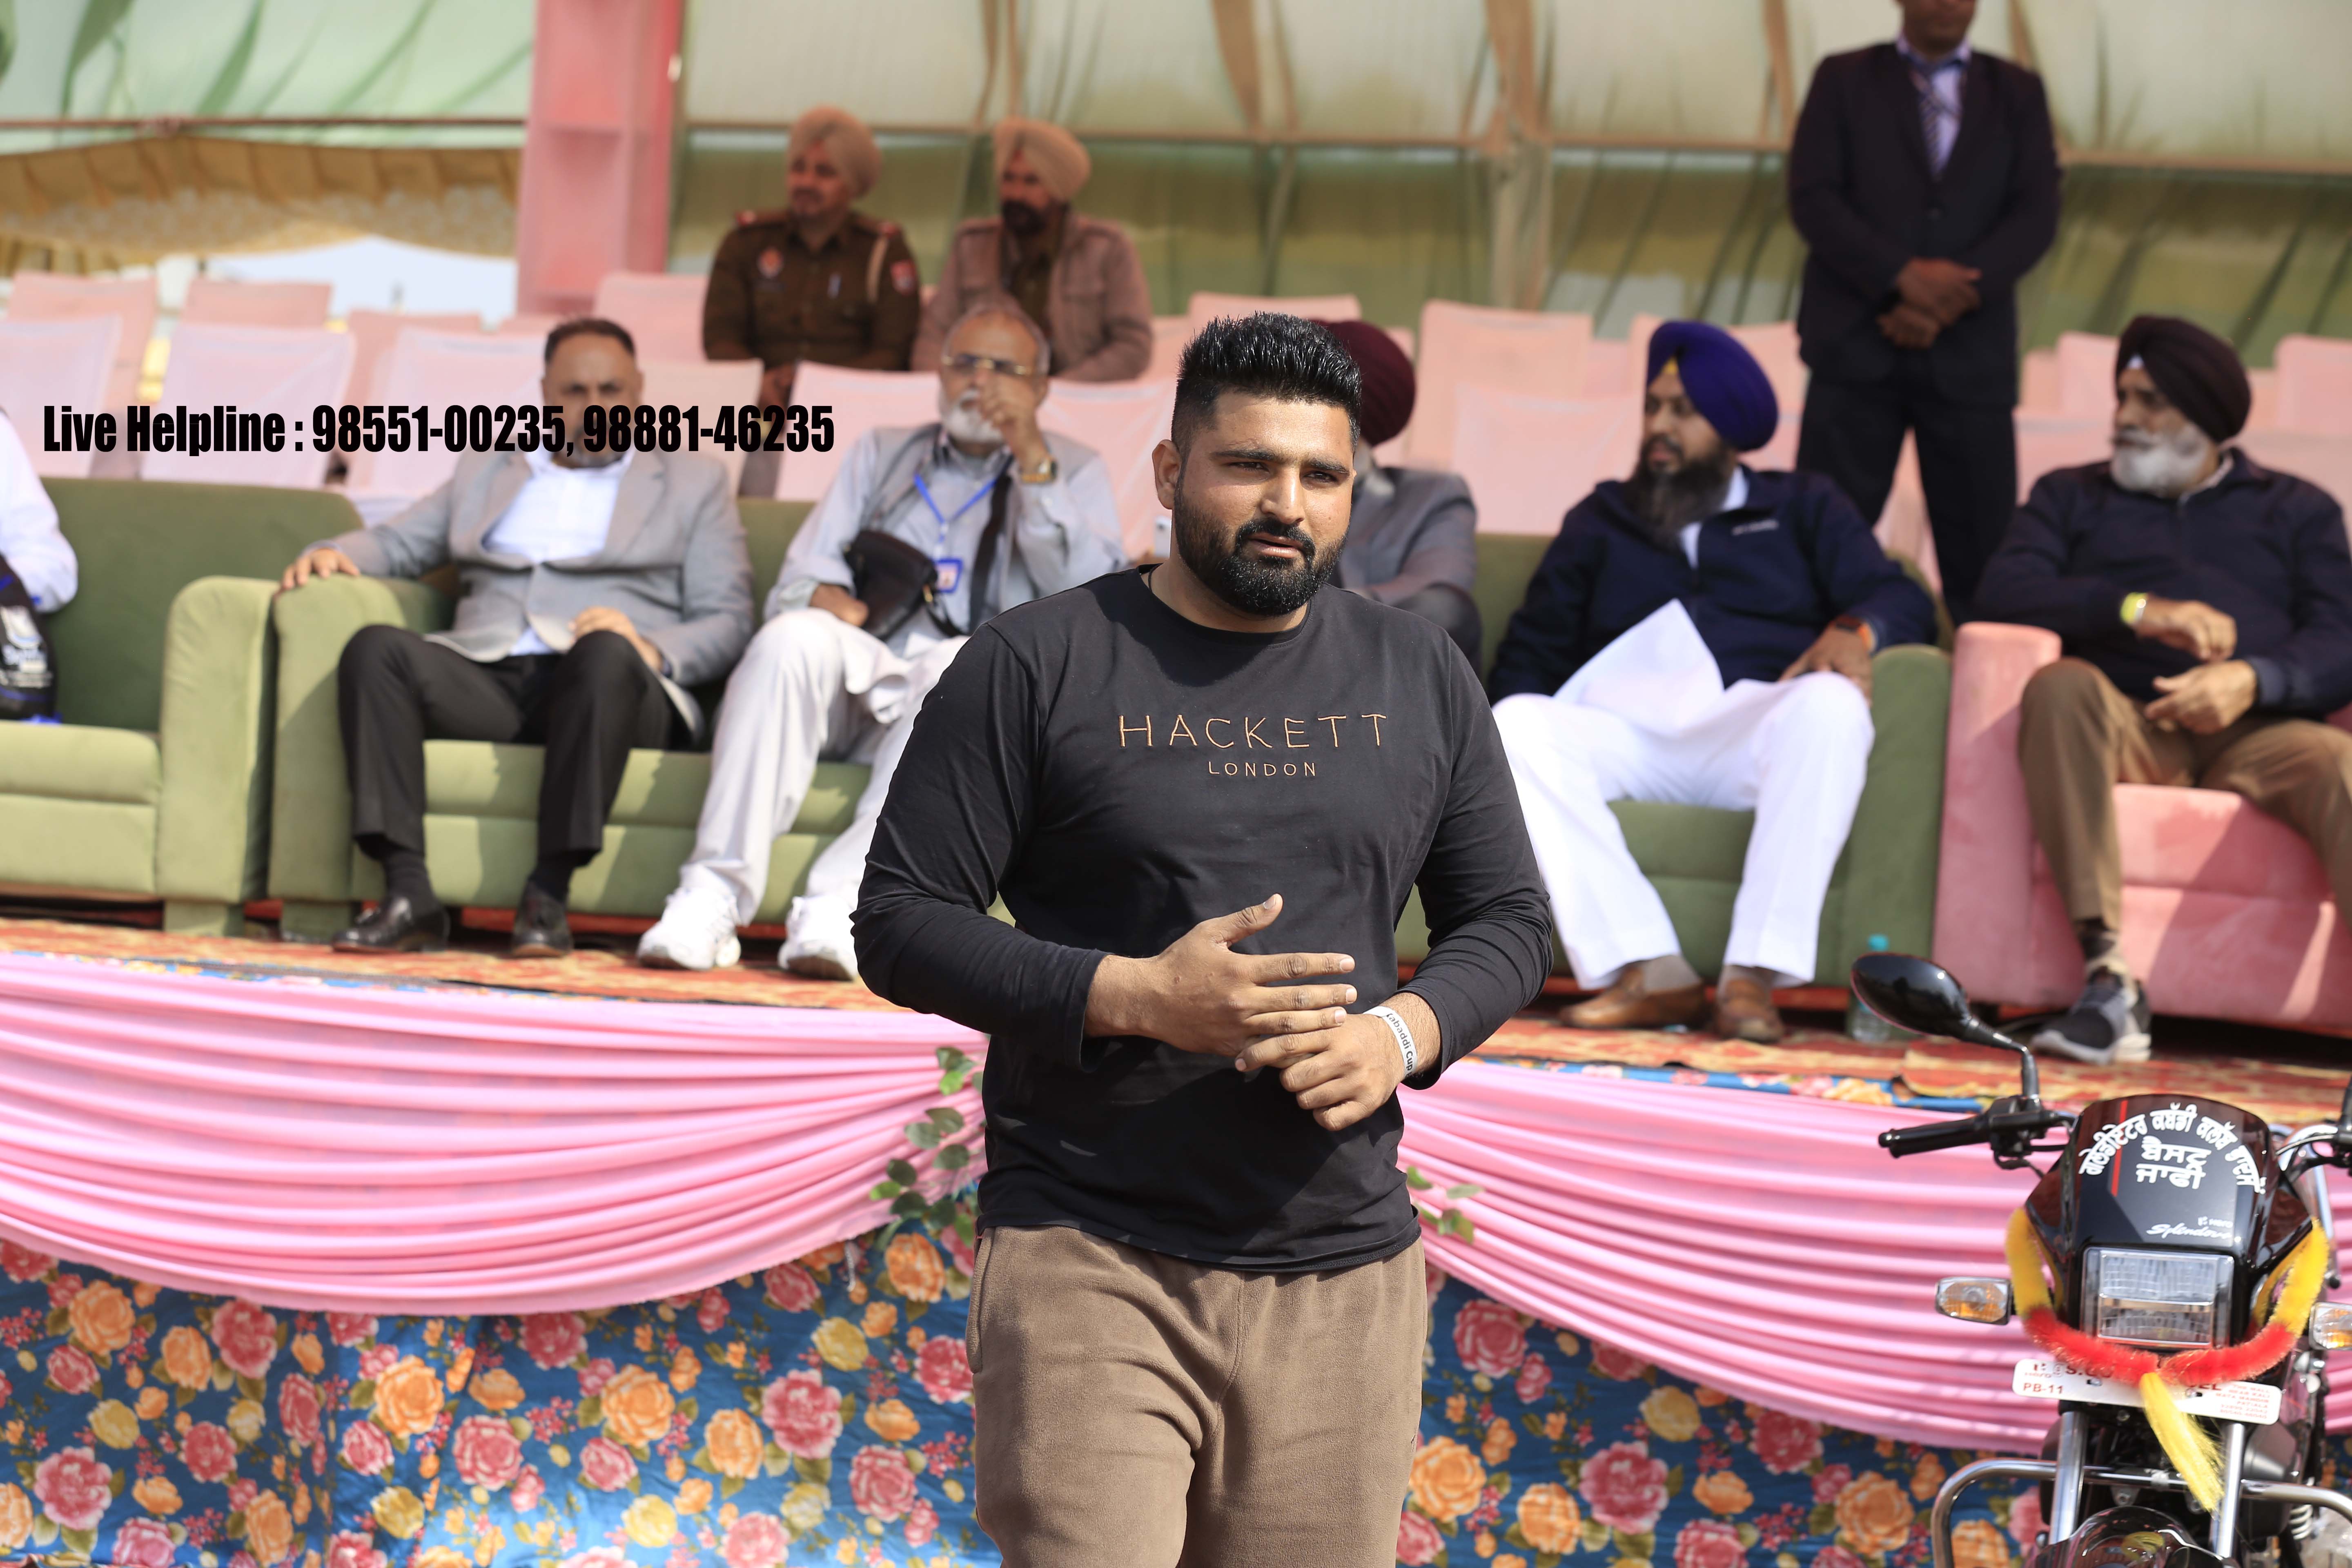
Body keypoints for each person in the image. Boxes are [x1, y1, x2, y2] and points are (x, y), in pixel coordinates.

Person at [854, 314, 1551, 1564]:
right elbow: (901, 922)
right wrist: (1134, 995)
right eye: (1250, 466)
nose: (1288, 503)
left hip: (1342, 1270)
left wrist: (1400, 1036)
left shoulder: (1422, 675)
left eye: (1323, 475)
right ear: (1172, 472)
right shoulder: (1037, 662)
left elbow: (1507, 922)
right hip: (1089, 1251)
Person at [634, 296, 1127, 980]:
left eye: (1003, 369)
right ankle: (710, 893)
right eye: (964, 363)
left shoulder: (1074, 468)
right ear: (939, 373)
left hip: (966, 694)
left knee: (965, 663)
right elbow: (800, 578)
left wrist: (1033, 460)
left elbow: (1090, 598)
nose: (979, 381)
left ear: (1041, 388)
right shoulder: (884, 451)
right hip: (863, 668)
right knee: (789, 639)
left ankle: (839, 906)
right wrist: (824, 598)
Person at [1489, 322, 1937, 1043]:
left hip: (1749, 732)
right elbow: (1534, 651)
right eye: (1653, 408)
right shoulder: (1603, 517)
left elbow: (1902, 595)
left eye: (1683, 412)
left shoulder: (1803, 504)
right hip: (1628, 736)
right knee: (1514, 723)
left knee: (1830, 705)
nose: (1659, 428)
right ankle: (1647, 966)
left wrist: (1855, 631)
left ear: (1729, 429)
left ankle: (1751, 976)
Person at [280, 319, 753, 958]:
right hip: (495, 672)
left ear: (639, 391)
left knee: (603, 655)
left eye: (611, 391)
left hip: (617, 686)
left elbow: (728, 618)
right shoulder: (491, 469)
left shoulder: (694, 481)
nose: (595, 408)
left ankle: (546, 895)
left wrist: (649, 648)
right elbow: (399, 541)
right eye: (575, 392)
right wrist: (335, 552)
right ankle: (409, 893)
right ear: (545, 395)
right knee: (375, 650)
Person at [1975, 316, 2352, 1065]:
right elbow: (2003, 590)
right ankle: (2109, 980)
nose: (2126, 417)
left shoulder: (2297, 508)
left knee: (2344, 764)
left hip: (2263, 733)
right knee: (2059, 689)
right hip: (2127, 724)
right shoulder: (2070, 495)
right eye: (2123, 397)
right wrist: (2137, 610)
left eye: (2151, 401)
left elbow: (2342, 638)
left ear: (2204, 416)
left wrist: (2254, 679)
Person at [1788, 0, 2060, 619]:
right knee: (1821, 541)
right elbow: (1814, 198)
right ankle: (1810, 660)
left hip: (1970, 360)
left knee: (1985, 560)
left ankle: (1980, 671)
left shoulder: (2018, 91)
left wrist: (1946, 298)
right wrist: (1900, 277)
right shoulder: (1843, 78)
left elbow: (2036, 214)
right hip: (1857, 351)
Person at [702, 105, 920, 412]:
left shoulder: (883, 251)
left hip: (850, 408)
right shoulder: (746, 242)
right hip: (756, 406)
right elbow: (720, 337)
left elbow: (893, 352)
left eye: (825, 172)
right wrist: (760, 382)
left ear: (853, 184)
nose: (806, 182)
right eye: (798, 168)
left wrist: (819, 387)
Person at [912, 118, 1152, 383]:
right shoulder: (972, 245)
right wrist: (943, 386)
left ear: (1058, 188)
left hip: (1075, 397)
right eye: (1009, 179)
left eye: (1031, 181)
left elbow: (1133, 346)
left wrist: (1057, 390)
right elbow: (934, 333)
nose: (1016, 193)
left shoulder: (1107, 249)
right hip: (982, 393)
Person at [1316, 318, 1482, 666]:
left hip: (1379, 662)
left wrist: (1318, 616)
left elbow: (1440, 589)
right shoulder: (1262, 491)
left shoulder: (1432, 496)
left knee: (1446, 610)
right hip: (1265, 662)